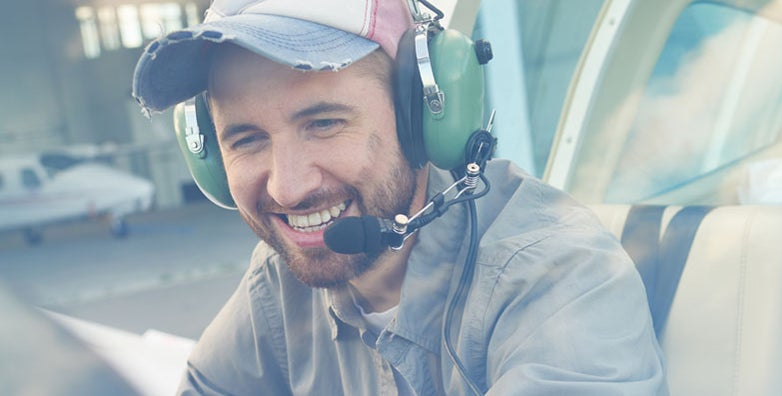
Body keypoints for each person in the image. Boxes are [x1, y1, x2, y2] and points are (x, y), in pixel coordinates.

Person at [131, 0, 667, 394]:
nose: (286, 187)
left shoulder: (559, 274)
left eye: (323, 123)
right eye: (246, 139)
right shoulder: (280, 285)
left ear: (425, 116)